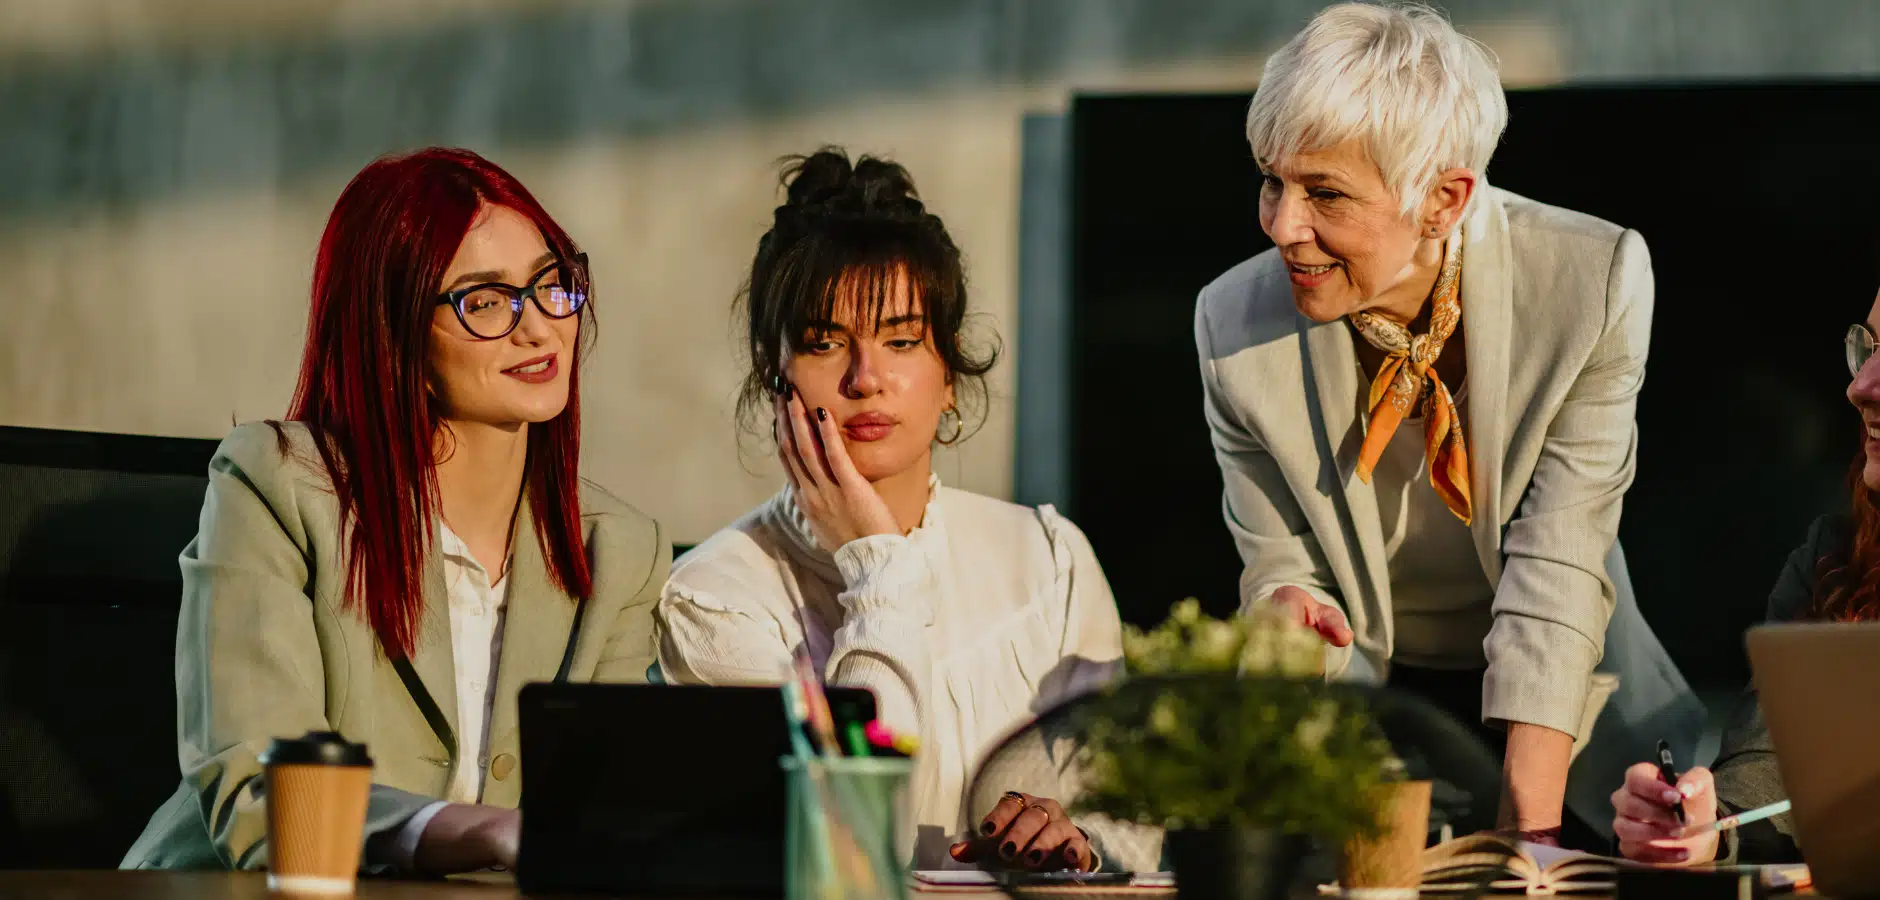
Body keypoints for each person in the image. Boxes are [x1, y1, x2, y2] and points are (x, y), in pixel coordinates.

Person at [1192, 1, 1703, 845]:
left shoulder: (1592, 282)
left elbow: (1559, 567)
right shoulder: (1231, 325)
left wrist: (1527, 844)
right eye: (1273, 181)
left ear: (1444, 198)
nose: (1284, 226)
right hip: (1367, 703)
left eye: (1325, 193)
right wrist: (1283, 609)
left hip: (1568, 717)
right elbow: (1280, 563)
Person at [122, 148, 669, 873]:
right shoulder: (277, 488)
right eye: (484, 301)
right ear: (392, 326)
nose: (539, 327)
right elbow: (262, 791)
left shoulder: (622, 552)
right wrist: (483, 831)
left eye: (551, 285)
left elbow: (606, 818)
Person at [655, 148, 1125, 872]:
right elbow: (849, 837)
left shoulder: (1050, 559)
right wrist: (876, 560)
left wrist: (1079, 844)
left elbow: (1137, 822)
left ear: (949, 375)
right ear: (772, 373)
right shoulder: (714, 598)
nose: (866, 379)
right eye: (824, 343)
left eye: (901, 341)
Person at [1611, 290, 1880, 866]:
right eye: (1870, 348)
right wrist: (1707, 825)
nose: (1861, 387)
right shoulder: (1837, 559)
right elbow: (1774, 763)